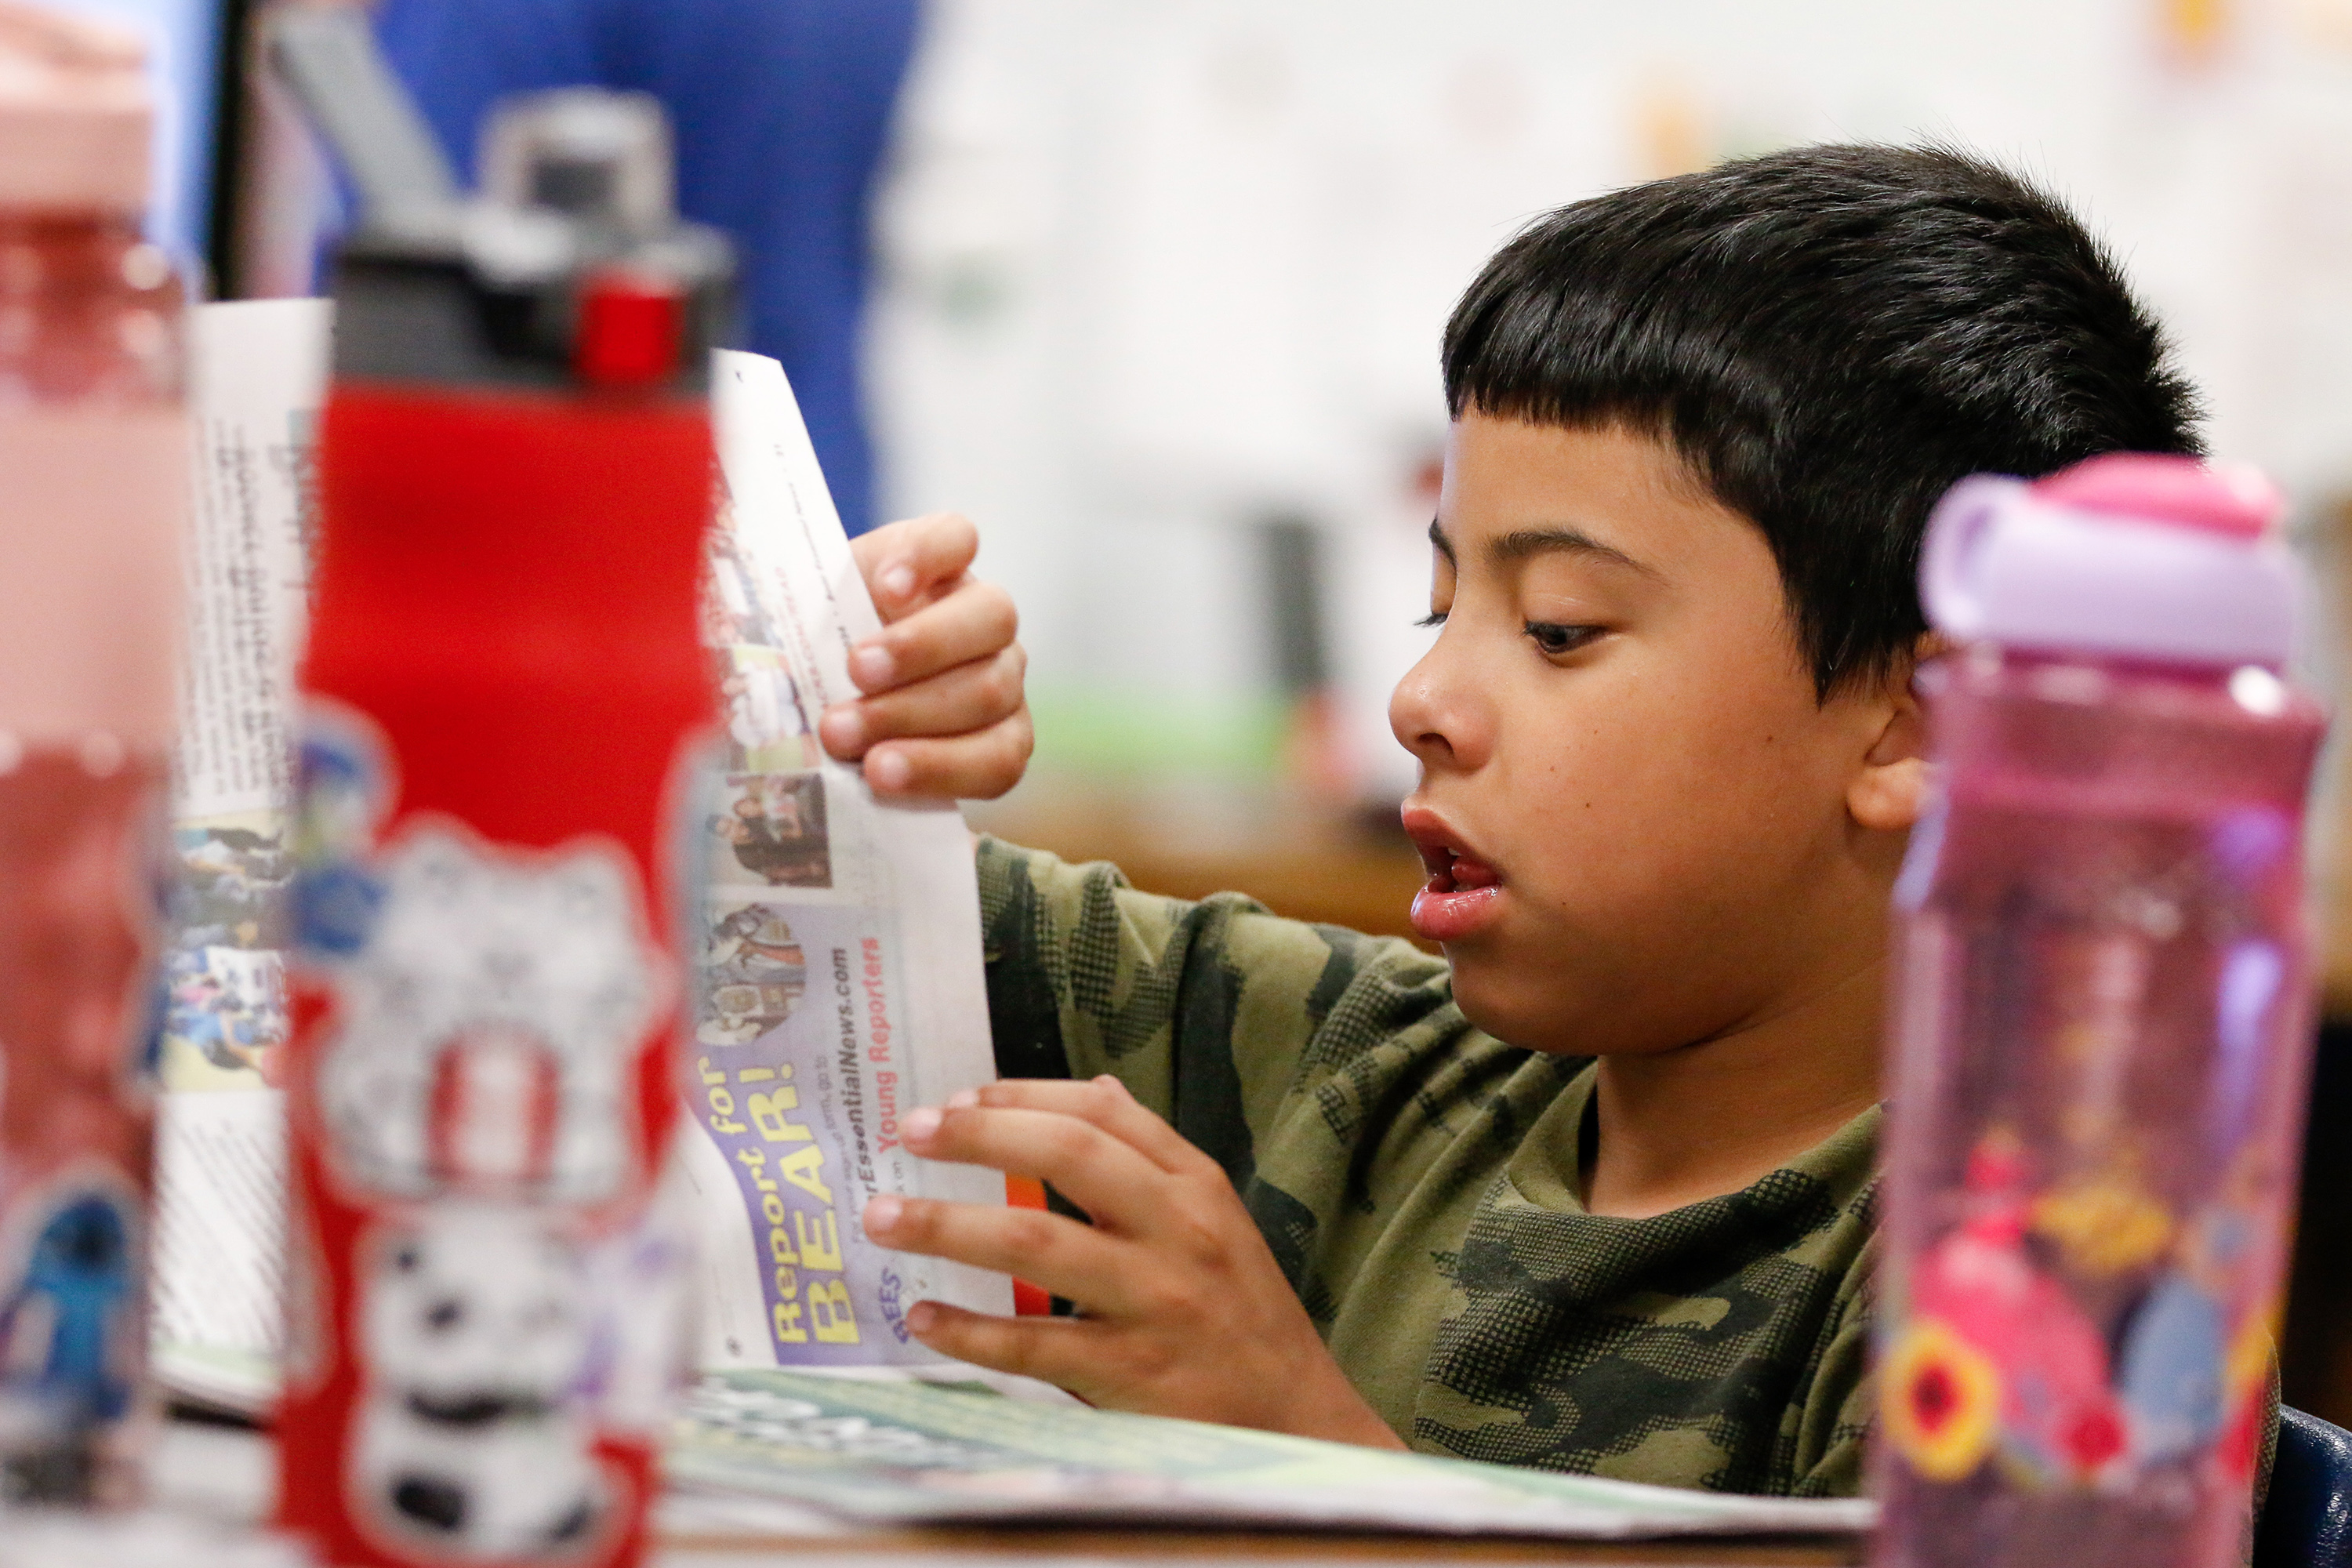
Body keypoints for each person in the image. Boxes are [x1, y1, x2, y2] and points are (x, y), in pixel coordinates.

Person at [804, 145, 2209, 1495]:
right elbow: (796, 902)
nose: (1423, 698)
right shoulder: (1378, 1069)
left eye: (1558, 627)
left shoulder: (2059, 1287)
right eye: (1440, 602)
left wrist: (1290, 1457)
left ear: (1915, 727)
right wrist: (826, 694)